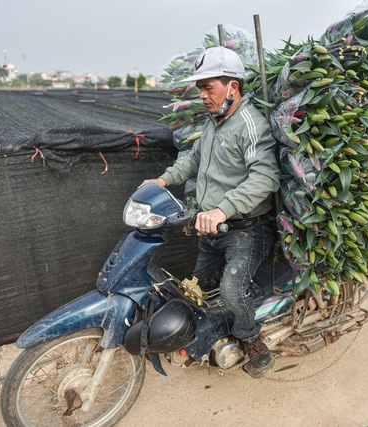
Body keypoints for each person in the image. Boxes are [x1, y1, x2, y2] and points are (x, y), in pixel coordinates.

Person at [141, 46, 280, 377]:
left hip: (246, 230)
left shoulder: (249, 123)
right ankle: (213, 339)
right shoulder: (213, 122)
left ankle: (251, 338)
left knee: (232, 290)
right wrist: (162, 180)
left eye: (209, 87)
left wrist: (222, 210)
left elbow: (266, 176)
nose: (202, 95)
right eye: (200, 88)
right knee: (196, 289)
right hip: (211, 230)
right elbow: (192, 159)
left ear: (232, 86)